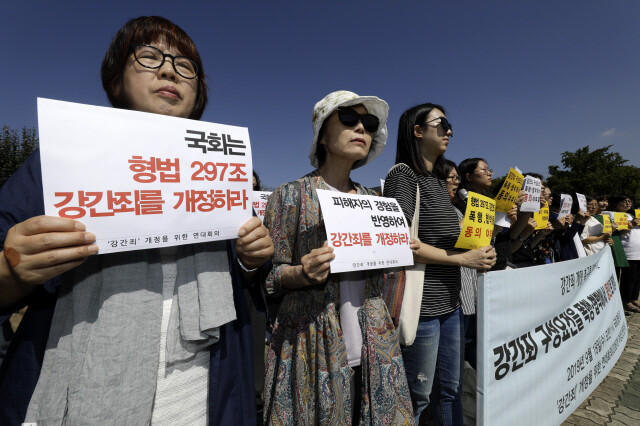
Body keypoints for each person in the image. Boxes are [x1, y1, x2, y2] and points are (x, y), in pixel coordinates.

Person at [0, 16, 273, 425]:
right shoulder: (62, 162)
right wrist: (11, 270)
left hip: (200, 396)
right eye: (149, 56)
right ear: (116, 78)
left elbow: (248, 277)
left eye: (185, 66)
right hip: (83, 392)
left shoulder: (218, 172)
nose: (168, 70)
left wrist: (252, 259)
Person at [262, 91, 413, 425]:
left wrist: (399, 249)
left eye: (369, 123)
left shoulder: (376, 199)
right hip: (312, 347)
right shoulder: (289, 196)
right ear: (323, 137)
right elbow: (268, 278)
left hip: (374, 344)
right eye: (348, 119)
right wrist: (300, 274)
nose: (361, 127)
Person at [383, 103, 496, 425]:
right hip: (422, 309)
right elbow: (399, 242)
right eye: (441, 123)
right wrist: (462, 258)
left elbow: (450, 240)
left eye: (449, 124)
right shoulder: (404, 176)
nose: (449, 130)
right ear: (417, 131)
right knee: (416, 396)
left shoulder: (437, 182)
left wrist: (481, 252)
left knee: (450, 389)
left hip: (451, 303)